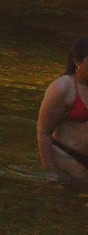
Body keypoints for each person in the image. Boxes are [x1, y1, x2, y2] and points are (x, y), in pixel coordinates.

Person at [37, 37, 88, 185]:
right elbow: (43, 133)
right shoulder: (63, 88)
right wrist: (50, 172)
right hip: (69, 157)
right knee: (70, 203)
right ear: (76, 61)